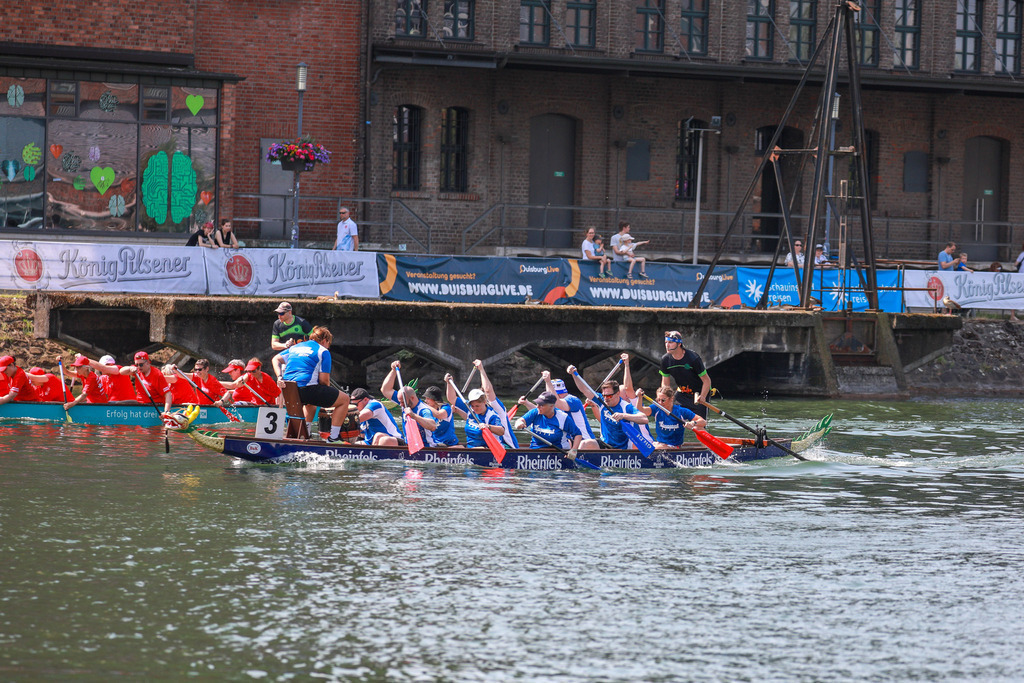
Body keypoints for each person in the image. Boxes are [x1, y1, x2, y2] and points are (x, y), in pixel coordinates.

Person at [272, 325, 351, 442]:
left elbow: (275, 359)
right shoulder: (323, 351)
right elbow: (324, 381)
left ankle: (305, 434)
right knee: (344, 400)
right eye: (329, 344)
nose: (328, 347)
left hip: (288, 390)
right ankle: (334, 438)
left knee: (312, 402)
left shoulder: (295, 347)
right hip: (306, 389)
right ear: (325, 341)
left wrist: (279, 376)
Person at [566, 369, 648, 450]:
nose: (606, 398)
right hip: (604, 444)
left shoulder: (626, 407)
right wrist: (574, 374)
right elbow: (584, 389)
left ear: (617, 394)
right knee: (585, 443)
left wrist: (623, 416)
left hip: (621, 449)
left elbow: (644, 419)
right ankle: (575, 462)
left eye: (609, 396)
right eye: (604, 395)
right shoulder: (601, 400)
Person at [380, 360, 437, 447]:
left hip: (425, 447)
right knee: (380, 436)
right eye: (399, 402)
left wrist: (413, 416)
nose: (401, 404)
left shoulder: (423, 410)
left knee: (385, 440)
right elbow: (385, 390)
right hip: (409, 445)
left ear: (412, 398)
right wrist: (393, 371)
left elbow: (433, 426)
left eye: (402, 402)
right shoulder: (404, 401)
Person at [659, 330, 712, 419]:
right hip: (682, 393)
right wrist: (666, 398)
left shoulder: (693, 358)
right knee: (673, 418)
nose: (667, 345)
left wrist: (702, 396)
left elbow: (707, 381)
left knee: (699, 424)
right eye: (666, 342)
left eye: (671, 342)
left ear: (679, 344)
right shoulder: (665, 360)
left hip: (698, 394)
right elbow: (665, 384)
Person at [545, 373, 600, 450]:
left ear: (558, 394)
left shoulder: (573, 400)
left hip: (584, 442)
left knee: (582, 443)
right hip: (569, 442)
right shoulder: (556, 404)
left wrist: (548, 382)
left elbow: (558, 404)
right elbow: (541, 411)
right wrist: (527, 403)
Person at [514, 391, 582, 451]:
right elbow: (520, 420)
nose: (537, 407)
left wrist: (574, 450)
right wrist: (519, 424)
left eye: (541, 405)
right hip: (535, 450)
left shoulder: (563, 417)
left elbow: (578, 434)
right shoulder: (535, 412)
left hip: (558, 452)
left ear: (551, 406)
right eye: (537, 404)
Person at [446, 381, 505, 449]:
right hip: (470, 447)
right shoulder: (469, 408)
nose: (474, 409)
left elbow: (501, 431)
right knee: (450, 450)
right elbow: (452, 398)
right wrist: (449, 383)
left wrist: (488, 426)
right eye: (473, 406)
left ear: (484, 402)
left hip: (488, 448)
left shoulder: (491, 415)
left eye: (477, 406)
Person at [475, 359, 519, 449]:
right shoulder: (475, 408)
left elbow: (488, 390)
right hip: (487, 444)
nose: (475, 405)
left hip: (506, 445)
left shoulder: (496, 407)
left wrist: (481, 370)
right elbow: (453, 399)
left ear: (485, 400)